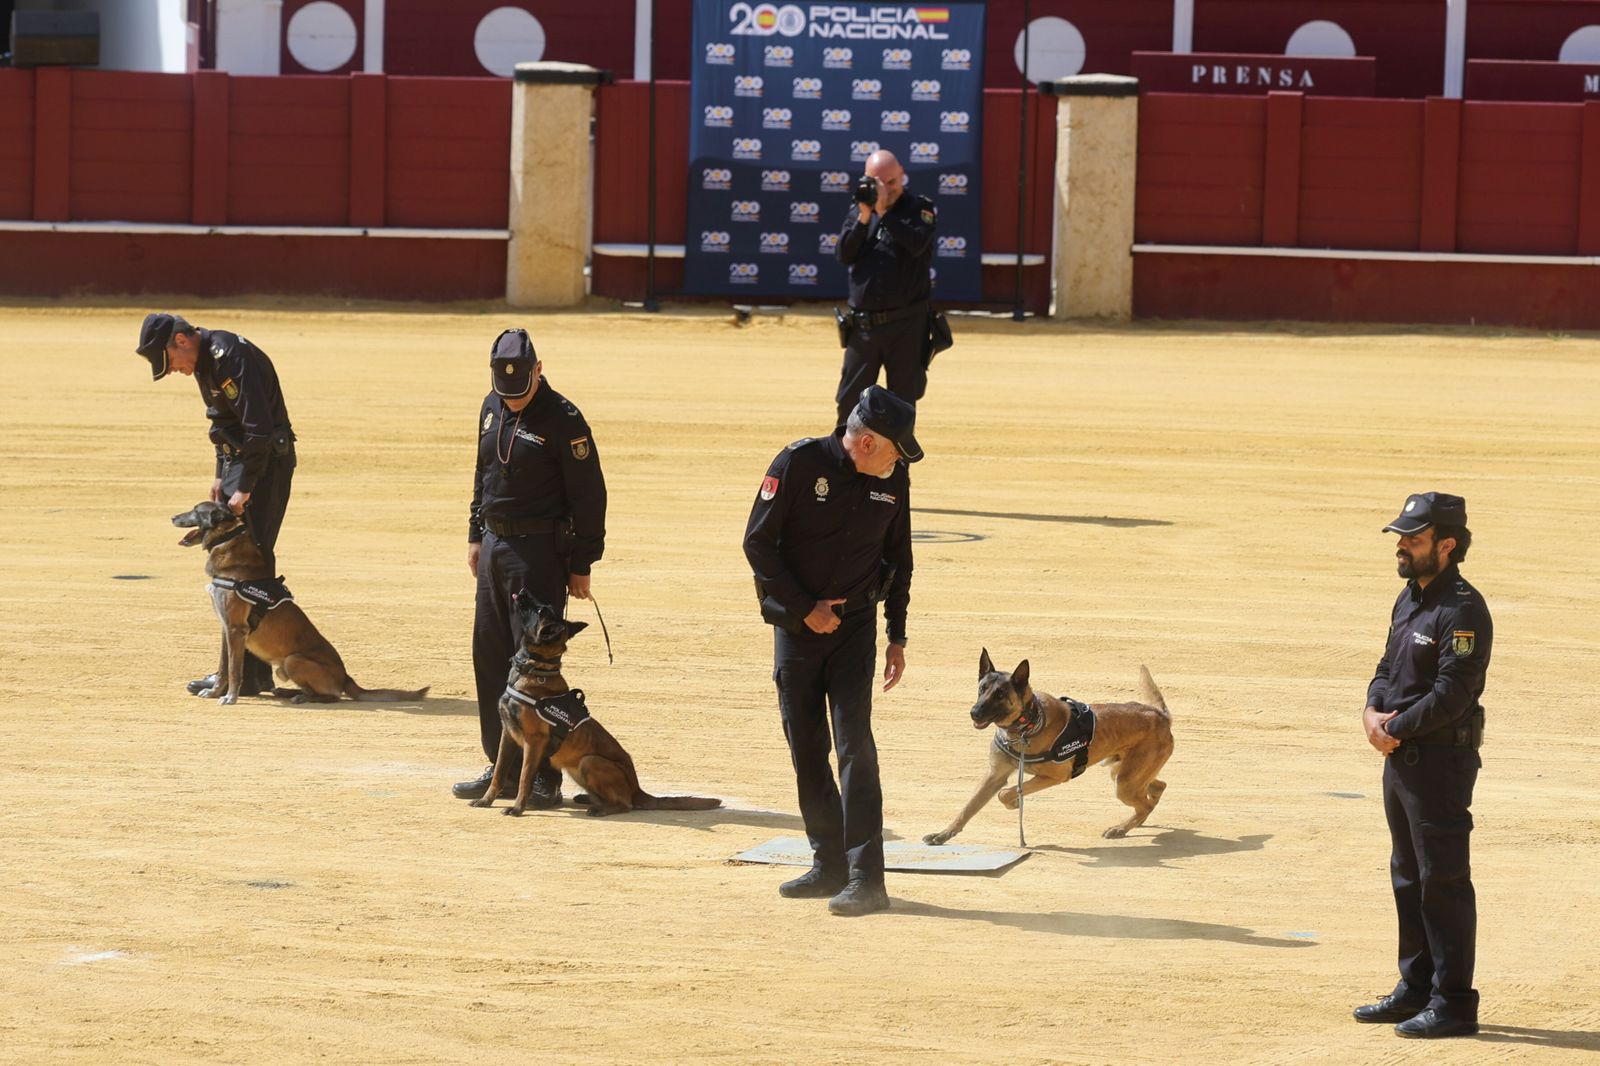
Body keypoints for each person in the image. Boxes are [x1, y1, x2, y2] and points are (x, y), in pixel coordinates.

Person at [742, 385, 919, 917]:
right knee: (806, 746)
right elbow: (758, 544)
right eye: (894, 449)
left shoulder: (894, 478)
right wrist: (803, 608)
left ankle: (868, 878)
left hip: (855, 630)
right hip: (797, 630)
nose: (899, 460)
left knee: (854, 747)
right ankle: (829, 864)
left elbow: (901, 557)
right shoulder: (798, 464)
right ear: (866, 442)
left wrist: (897, 635)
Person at [1354, 492, 1492, 1040]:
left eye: (1414, 538)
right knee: (1408, 876)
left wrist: (1392, 727)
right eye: (1401, 538)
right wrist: (1370, 710)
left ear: (1447, 545)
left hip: (1440, 761)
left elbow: (1452, 693)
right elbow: (1388, 667)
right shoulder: (1410, 597)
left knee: (1444, 881)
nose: (1402, 547)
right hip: (1401, 757)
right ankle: (1415, 988)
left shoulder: (1462, 609)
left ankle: (1454, 1002)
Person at [453, 328, 606, 804]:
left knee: (534, 667)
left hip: (539, 554)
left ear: (538, 371)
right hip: (496, 545)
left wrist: (582, 562)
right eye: (505, 393)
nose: (512, 401)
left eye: (521, 391)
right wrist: (476, 534)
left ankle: (543, 778)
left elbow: (590, 495)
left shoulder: (564, 419)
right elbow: (482, 475)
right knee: (490, 655)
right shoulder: (489, 406)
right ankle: (498, 768)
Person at [135, 312, 296, 698]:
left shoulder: (229, 356)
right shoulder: (209, 361)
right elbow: (223, 426)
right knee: (240, 567)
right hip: (244, 466)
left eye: (170, 361)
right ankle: (241, 673)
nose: (174, 370)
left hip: (265, 467)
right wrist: (223, 474)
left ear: (181, 341)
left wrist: (245, 485)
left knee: (252, 564)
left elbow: (257, 428)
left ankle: (249, 673)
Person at [832, 148, 937, 427]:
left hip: (906, 326)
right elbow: (844, 254)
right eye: (880, 183)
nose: (887, 189)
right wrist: (866, 215)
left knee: (901, 406)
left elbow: (916, 243)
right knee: (849, 402)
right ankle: (846, 468)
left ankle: (897, 471)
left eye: (892, 182)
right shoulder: (858, 211)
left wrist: (884, 212)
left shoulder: (919, 208)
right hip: (864, 327)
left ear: (902, 175)